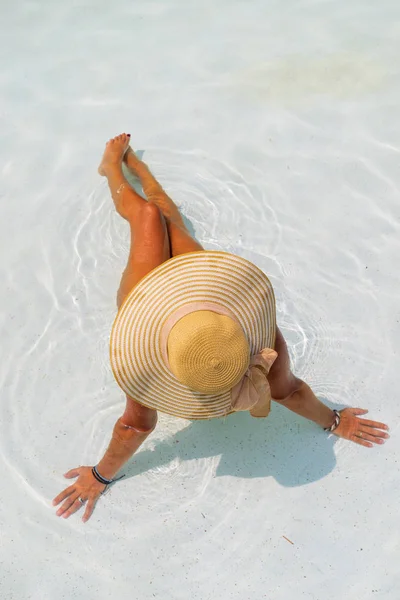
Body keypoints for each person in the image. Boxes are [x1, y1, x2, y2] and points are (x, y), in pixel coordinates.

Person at [53, 133, 389, 522]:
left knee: (148, 217)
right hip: (208, 301)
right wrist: (334, 421)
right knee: (167, 219)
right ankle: (135, 169)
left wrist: (99, 476)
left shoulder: (147, 364)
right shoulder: (258, 339)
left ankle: (114, 170)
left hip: (152, 303)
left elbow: (133, 428)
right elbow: (291, 392)